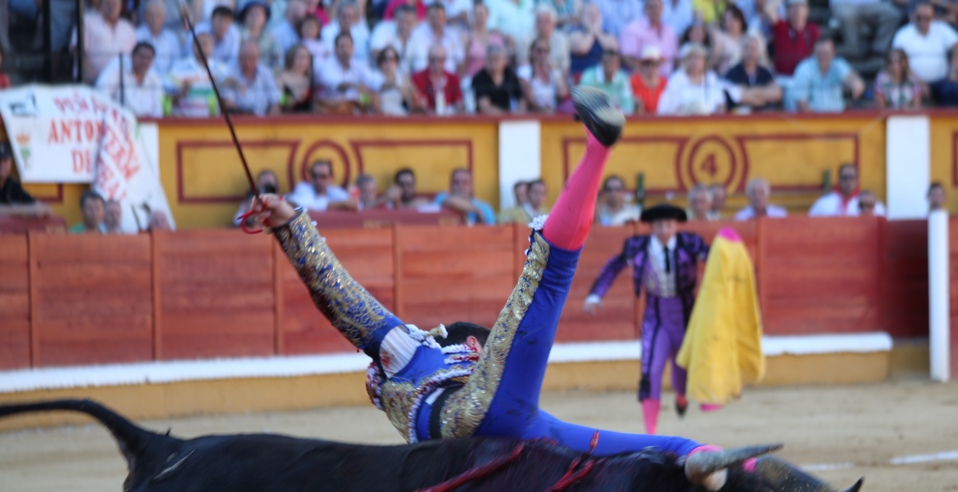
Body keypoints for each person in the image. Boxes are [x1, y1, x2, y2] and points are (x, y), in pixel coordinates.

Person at [252, 88, 703, 461]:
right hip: (489, 418)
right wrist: (291, 224)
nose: (475, 345)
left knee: (616, 445)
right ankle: (598, 149)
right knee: (549, 279)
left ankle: (699, 453)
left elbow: (338, 296)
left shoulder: (405, 360)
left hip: (481, 434)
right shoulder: (412, 352)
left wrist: (291, 226)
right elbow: (339, 295)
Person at [584, 202, 709, 435]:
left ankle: (681, 395)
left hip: (686, 313)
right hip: (655, 313)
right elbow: (613, 267)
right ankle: (650, 432)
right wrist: (595, 294)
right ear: (651, 227)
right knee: (651, 368)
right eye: (659, 226)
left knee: (683, 367)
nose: (664, 231)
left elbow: (714, 259)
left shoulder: (689, 243)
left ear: (675, 226)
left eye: (669, 226)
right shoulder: (638, 246)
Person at [891, 2, 958, 106]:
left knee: (954, 89)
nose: (923, 21)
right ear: (912, 16)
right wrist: (918, 82)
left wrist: (953, 71)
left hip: (941, 80)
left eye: (927, 18)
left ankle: (948, 121)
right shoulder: (903, 34)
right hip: (912, 81)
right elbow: (898, 61)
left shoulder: (941, 29)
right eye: (919, 17)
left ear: (933, 17)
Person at [658, 42, 739, 113]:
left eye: (699, 58)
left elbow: (720, 104)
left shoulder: (711, 78)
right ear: (685, 61)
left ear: (704, 62)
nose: (695, 62)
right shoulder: (677, 78)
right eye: (692, 58)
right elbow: (667, 107)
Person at [791, 34, 865, 111]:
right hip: (811, 120)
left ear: (833, 53)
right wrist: (819, 121)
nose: (822, 56)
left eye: (826, 53)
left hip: (837, 119)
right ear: (812, 53)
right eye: (819, 53)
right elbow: (800, 103)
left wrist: (856, 83)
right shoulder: (804, 68)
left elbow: (849, 77)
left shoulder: (838, 64)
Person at [316, 31, 381, 113]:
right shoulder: (326, 65)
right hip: (332, 106)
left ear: (353, 49)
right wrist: (355, 86)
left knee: (374, 96)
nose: (345, 50)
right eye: (342, 47)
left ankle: (376, 122)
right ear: (335, 49)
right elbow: (336, 84)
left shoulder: (358, 65)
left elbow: (373, 80)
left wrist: (387, 85)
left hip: (354, 104)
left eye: (348, 46)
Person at [96, 41, 166, 118]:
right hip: (119, 121)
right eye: (141, 56)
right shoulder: (117, 67)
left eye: (148, 58)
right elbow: (101, 95)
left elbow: (157, 110)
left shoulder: (154, 77)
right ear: (132, 55)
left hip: (146, 124)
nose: (144, 61)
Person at [166, 30, 222, 117]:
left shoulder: (220, 68)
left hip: (210, 122)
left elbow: (226, 93)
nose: (201, 48)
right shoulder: (179, 67)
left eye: (205, 44)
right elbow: (166, 95)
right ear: (192, 47)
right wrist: (181, 92)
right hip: (182, 120)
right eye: (198, 44)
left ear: (212, 47)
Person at [78, 0, 136, 82]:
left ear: (121, 6)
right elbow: (78, 50)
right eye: (108, 3)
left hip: (122, 82)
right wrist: (89, 76)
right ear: (101, 5)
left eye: (115, 4)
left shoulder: (128, 27)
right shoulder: (87, 21)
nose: (112, 7)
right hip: (93, 81)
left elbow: (135, 55)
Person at [829, 0, 902, 65]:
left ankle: (878, 51)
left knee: (892, 14)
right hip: (843, 3)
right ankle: (853, 52)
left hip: (870, 4)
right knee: (848, 16)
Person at [725, 32, 785, 110]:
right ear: (741, 51)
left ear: (759, 52)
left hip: (763, 118)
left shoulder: (765, 73)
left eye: (753, 49)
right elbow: (739, 97)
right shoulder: (732, 72)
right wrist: (764, 96)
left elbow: (777, 94)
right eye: (747, 48)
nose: (750, 53)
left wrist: (749, 91)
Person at [220, 40, 281, 114]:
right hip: (239, 120)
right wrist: (248, 117)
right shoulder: (230, 72)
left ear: (258, 58)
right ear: (238, 56)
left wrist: (271, 120)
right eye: (244, 58)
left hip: (264, 121)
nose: (247, 63)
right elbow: (227, 103)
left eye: (252, 58)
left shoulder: (266, 73)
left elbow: (275, 101)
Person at [405, 1, 465, 73]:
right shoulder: (416, 34)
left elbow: (461, 61)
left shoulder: (453, 35)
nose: (436, 21)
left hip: (448, 80)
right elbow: (407, 61)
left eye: (440, 18)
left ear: (445, 18)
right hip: (421, 80)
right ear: (427, 17)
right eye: (433, 17)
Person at [620, 0, 680, 72]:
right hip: (641, 78)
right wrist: (647, 73)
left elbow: (676, 58)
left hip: (668, 79)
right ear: (645, 9)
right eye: (651, 7)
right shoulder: (633, 29)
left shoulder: (669, 31)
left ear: (662, 9)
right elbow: (626, 57)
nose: (655, 10)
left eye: (657, 7)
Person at [770, 0, 822, 81]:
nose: (797, 10)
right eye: (793, 7)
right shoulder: (781, 26)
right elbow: (768, 11)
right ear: (787, 11)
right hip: (781, 78)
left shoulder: (812, 29)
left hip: (805, 79)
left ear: (807, 10)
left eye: (801, 6)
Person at [519, 38, 570, 112]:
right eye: (539, 51)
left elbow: (563, 93)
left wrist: (554, 70)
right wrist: (545, 111)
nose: (542, 54)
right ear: (532, 52)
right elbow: (530, 99)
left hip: (553, 114)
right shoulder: (525, 71)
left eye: (545, 51)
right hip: (535, 114)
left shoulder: (553, 71)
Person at [568, 2, 618, 78]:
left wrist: (597, 33)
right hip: (581, 76)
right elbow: (581, 48)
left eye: (596, 15)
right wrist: (591, 33)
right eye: (590, 15)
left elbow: (613, 50)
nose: (593, 18)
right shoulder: (575, 32)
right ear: (582, 17)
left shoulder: (606, 33)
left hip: (604, 77)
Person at [578, 45, 635, 111]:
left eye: (613, 63)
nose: (610, 67)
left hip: (616, 118)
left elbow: (628, 106)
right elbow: (585, 105)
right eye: (606, 63)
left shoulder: (623, 78)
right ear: (600, 62)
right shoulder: (588, 77)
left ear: (618, 65)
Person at [413, 43, 466, 112]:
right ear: (428, 59)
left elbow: (459, 102)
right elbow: (418, 105)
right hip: (426, 120)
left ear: (445, 60)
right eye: (433, 60)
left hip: (449, 120)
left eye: (440, 60)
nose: (436, 64)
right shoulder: (418, 78)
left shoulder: (453, 79)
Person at [472, 43, 525, 112]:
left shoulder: (510, 75)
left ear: (504, 61)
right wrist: (507, 117)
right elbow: (484, 106)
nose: (493, 64)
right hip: (485, 120)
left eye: (496, 60)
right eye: (490, 60)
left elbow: (521, 99)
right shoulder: (479, 78)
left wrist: (519, 114)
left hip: (508, 118)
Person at [136, 0, 183, 74]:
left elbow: (177, 63)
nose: (154, 19)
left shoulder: (172, 38)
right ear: (144, 17)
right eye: (151, 15)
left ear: (164, 18)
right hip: (144, 80)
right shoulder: (136, 36)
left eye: (158, 15)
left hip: (168, 81)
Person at [239, 0, 283, 71]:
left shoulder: (271, 38)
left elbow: (278, 61)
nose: (255, 18)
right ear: (245, 16)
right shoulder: (236, 35)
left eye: (259, 15)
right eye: (251, 14)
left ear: (265, 19)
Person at [630, 44, 668, 112]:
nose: (651, 68)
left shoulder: (665, 83)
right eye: (647, 64)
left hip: (662, 121)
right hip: (640, 121)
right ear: (641, 65)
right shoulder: (633, 82)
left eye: (655, 64)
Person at [279, 44, 315, 111]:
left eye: (306, 58)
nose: (302, 61)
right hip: (289, 119)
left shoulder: (312, 80)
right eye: (299, 57)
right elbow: (282, 105)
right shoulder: (281, 80)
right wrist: (296, 98)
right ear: (291, 58)